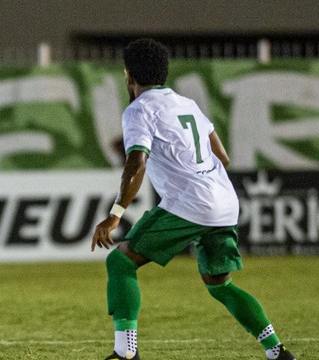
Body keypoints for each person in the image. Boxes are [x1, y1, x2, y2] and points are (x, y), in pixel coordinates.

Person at [91, 38, 295, 360]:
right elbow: (222, 157)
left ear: (128, 76)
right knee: (220, 285)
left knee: (120, 261)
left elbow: (136, 161)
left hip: (192, 203)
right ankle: (277, 351)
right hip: (224, 202)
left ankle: (125, 352)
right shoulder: (186, 104)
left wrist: (116, 213)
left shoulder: (138, 110)